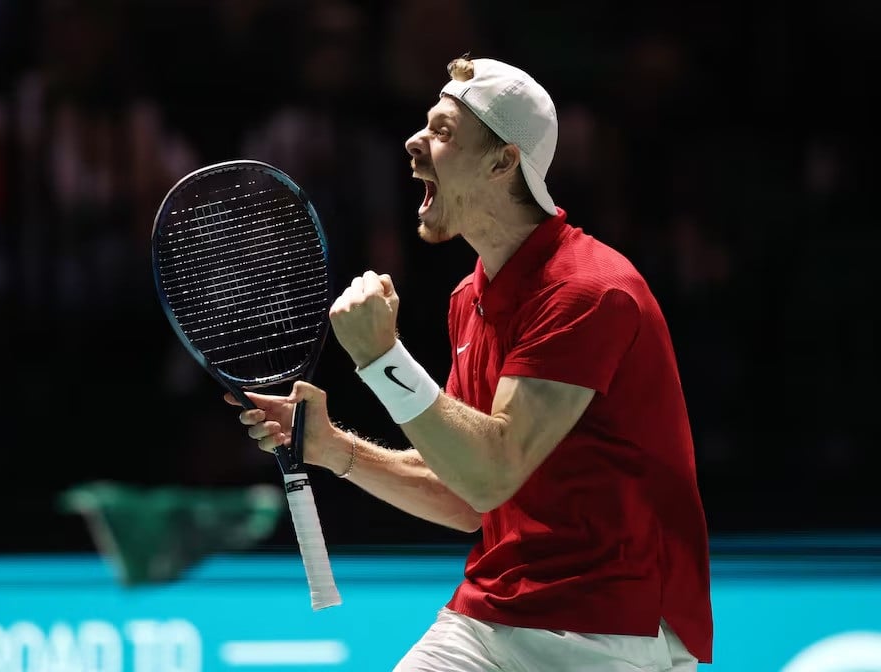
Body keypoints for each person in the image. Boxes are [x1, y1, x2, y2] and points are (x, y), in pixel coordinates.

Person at [227, 56, 713, 671]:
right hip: (494, 616)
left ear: (503, 160)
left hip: (612, 627)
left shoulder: (590, 290)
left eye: (443, 131)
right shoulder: (470, 299)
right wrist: (332, 448)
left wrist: (381, 360)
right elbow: (466, 497)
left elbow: (491, 472)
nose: (414, 141)